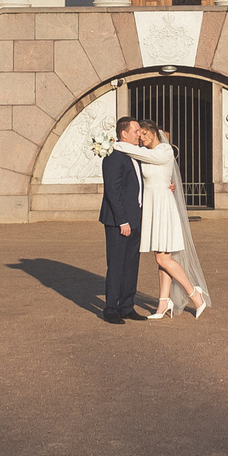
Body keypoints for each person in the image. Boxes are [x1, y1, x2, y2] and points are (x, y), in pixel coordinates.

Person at [117, 122, 209, 318]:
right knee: (161, 258)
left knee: (162, 257)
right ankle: (162, 304)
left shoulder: (165, 150)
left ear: (153, 132)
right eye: (138, 134)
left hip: (164, 207)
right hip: (151, 208)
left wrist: (114, 144)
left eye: (143, 133)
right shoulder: (142, 153)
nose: (140, 137)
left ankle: (194, 294)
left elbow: (150, 158)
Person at [98, 115, 145, 323]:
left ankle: (127, 306)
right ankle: (110, 309)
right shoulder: (114, 155)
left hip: (136, 217)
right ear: (123, 134)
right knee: (116, 264)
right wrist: (122, 221)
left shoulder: (135, 154)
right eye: (136, 131)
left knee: (132, 264)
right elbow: (113, 190)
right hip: (119, 221)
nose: (139, 135)